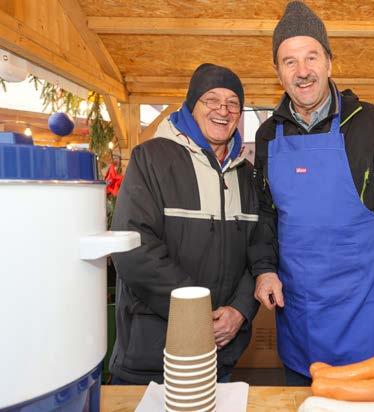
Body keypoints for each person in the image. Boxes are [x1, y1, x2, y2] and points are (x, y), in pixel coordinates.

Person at [248, 1, 374, 386]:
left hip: (365, 313)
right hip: (300, 315)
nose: (302, 71)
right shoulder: (268, 135)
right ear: (277, 72)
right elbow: (265, 214)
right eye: (290, 61)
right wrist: (264, 269)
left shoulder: (369, 122)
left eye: (311, 57)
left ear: (329, 62)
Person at [109, 63, 260, 385]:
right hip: (153, 357)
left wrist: (240, 310)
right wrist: (198, 313)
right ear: (191, 106)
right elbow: (133, 249)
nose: (223, 110)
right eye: (211, 99)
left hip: (220, 357)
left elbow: (260, 251)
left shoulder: (247, 176)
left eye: (233, 103)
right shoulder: (150, 159)